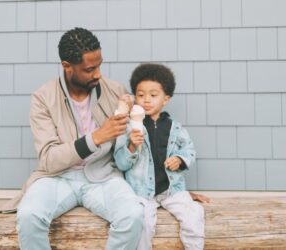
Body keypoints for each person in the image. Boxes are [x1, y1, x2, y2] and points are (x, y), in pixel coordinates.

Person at [12, 27, 145, 249]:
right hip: (57, 177)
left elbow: (128, 149)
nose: (98, 74)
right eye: (90, 69)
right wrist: (96, 137)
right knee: (28, 216)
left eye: (100, 65)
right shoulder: (42, 98)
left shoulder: (115, 91)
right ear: (67, 66)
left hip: (104, 176)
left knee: (132, 215)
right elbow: (49, 159)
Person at [114, 63, 206, 250]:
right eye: (140, 95)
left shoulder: (175, 127)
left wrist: (180, 160)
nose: (146, 100)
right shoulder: (130, 127)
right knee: (142, 222)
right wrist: (131, 145)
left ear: (166, 99)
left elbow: (189, 150)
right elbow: (121, 163)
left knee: (193, 214)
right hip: (141, 193)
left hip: (171, 190)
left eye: (153, 95)